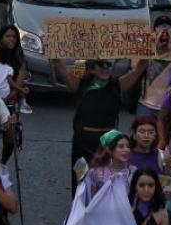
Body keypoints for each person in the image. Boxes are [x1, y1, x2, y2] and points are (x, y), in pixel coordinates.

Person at [50, 53, 147, 191]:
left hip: (108, 144)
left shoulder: (117, 85)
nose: (105, 67)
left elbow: (141, 67)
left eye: (108, 64)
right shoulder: (80, 85)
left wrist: (148, 47)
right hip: (82, 144)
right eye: (101, 64)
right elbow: (58, 64)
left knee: (105, 183)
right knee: (81, 182)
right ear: (91, 69)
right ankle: (80, 210)